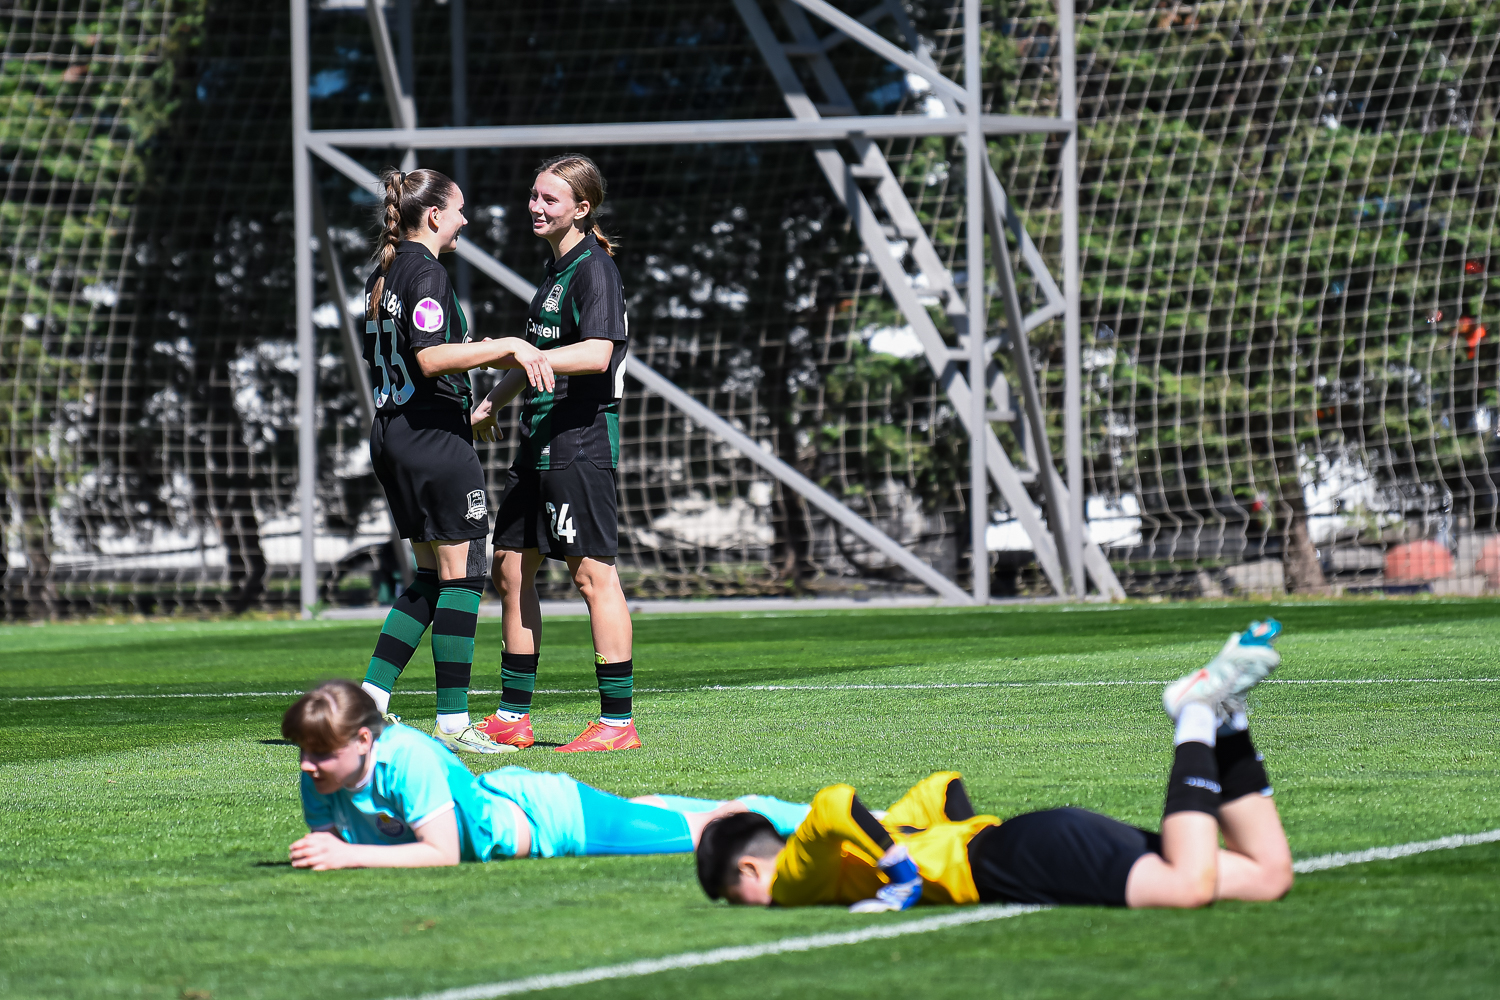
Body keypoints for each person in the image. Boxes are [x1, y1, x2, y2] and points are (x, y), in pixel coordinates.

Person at [696, 621, 1295, 912]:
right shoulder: (848, 857)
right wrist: (936, 840)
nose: (744, 904)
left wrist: (902, 873)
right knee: (1266, 877)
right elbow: (941, 788)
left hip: (1012, 858)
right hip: (1021, 843)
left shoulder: (790, 882)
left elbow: (833, 805)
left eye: (732, 895)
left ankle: (1194, 715)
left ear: (749, 869)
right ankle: (1229, 723)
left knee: (1188, 886)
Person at [355, 167, 556, 756]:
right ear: (435, 215)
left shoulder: (385, 271)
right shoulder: (426, 271)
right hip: (432, 442)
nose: (466, 219)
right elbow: (430, 357)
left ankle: (370, 701)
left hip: (394, 432)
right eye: (460, 209)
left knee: (429, 576)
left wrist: (470, 385)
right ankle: (453, 721)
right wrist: (509, 345)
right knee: (465, 576)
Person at [467, 155, 637, 753]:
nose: (536, 207)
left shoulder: (596, 269)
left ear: (582, 209)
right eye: (534, 195)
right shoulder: (555, 271)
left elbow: (596, 353)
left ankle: (616, 724)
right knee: (511, 568)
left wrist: (518, 354)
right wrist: (493, 399)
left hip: (578, 443)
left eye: (550, 199)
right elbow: (537, 352)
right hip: (537, 440)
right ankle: (513, 716)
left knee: (593, 575)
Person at [283, 679, 808, 870]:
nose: (308, 764)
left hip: (555, 821)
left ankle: (812, 817)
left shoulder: (408, 759)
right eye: (305, 751)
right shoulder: (319, 773)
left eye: (322, 753)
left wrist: (349, 856)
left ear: (364, 740)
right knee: (640, 815)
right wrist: (328, 851)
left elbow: (442, 853)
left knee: (704, 833)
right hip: (510, 796)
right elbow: (330, 843)